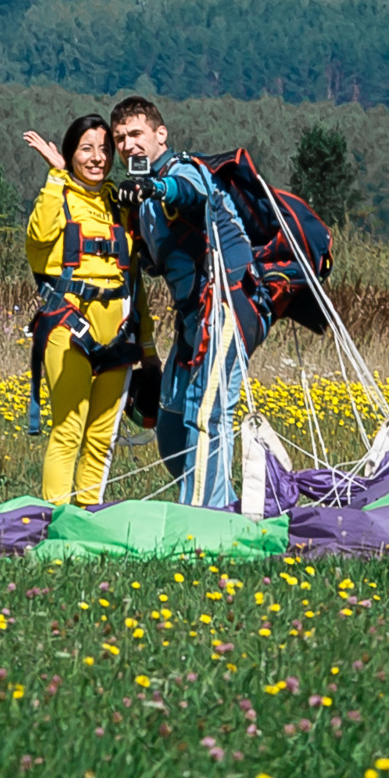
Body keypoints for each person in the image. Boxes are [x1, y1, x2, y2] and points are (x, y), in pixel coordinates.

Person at [108, 95, 254, 508]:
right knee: (172, 425)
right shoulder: (140, 205)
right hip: (191, 318)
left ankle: (211, 517)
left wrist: (155, 186)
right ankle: (217, 499)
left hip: (230, 302)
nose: (128, 145)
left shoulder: (182, 171)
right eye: (120, 138)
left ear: (160, 134)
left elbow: (191, 196)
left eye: (136, 134)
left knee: (207, 414)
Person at [18, 114, 143, 506]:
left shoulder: (117, 205)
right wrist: (55, 177)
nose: (97, 158)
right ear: (70, 154)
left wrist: (149, 346)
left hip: (118, 333)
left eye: (104, 150)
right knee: (69, 429)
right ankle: (57, 518)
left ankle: (89, 517)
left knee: (102, 436)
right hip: (69, 328)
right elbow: (38, 238)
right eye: (86, 149)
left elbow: (134, 280)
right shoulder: (59, 197)